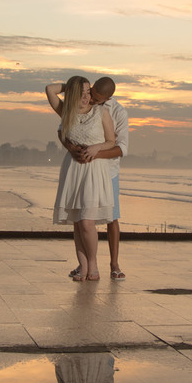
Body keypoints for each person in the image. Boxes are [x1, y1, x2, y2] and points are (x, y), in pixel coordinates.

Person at [46, 77, 116, 281]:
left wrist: (96, 148)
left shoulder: (101, 112)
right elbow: (49, 89)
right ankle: (83, 266)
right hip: (74, 169)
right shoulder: (66, 111)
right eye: (82, 93)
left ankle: (93, 263)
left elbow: (111, 141)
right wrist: (73, 87)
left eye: (88, 92)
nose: (86, 97)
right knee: (77, 222)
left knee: (86, 222)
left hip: (94, 170)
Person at [65, 77, 129, 280]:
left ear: (108, 98)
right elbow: (63, 130)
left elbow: (121, 148)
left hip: (108, 171)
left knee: (111, 217)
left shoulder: (118, 112)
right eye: (92, 93)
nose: (92, 99)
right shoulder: (84, 101)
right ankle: (85, 264)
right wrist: (72, 149)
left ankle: (114, 264)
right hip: (82, 170)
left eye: (98, 98)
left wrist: (94, 153)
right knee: (82, 218)